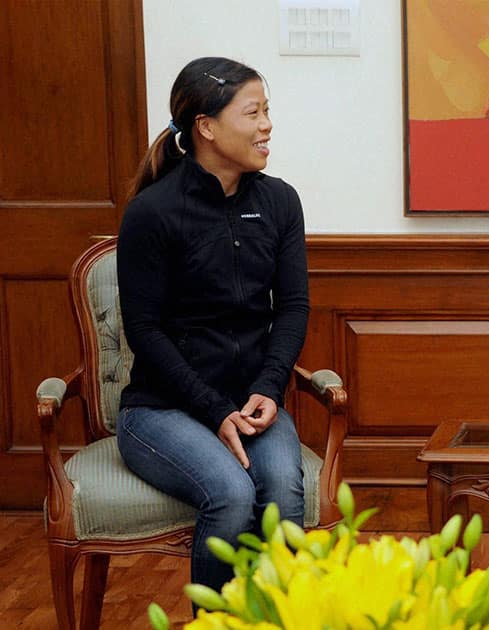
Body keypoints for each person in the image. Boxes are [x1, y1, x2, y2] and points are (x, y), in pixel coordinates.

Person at [116, 57, 309, 593]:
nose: (267, 125)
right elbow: (145, 331)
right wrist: (213, 409)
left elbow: (293, 307)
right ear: (206, 127)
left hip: (251, 400)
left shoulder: (279, 202)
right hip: (161, 409)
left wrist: (269, 388)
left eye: (267, 111)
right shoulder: (152, 212)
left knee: (283, 495)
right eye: (253, 113)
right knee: (231, 495)